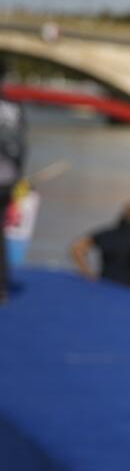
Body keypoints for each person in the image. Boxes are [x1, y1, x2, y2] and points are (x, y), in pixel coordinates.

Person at [0, 70, 27, 304]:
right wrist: (18, 176)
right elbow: (21, 144)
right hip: (6, 177)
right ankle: (1, 285)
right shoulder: (14, 107)